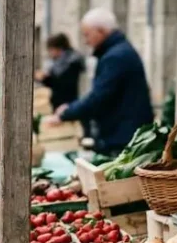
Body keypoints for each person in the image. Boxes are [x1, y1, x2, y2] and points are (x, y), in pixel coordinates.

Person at [44, 8, 153, 155]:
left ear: (100, 31)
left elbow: (99, 96)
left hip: (122, 138)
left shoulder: (115, 57)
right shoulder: (118, 52)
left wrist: (65, 113)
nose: (86, 41)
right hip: (123, 133)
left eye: (87, 34)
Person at [37, 33, 84, 110]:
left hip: (68, 105)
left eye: (51, 50)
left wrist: (44, 78)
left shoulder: (71, 61)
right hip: (62, 103)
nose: (50, 53)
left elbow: (61, 83)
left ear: (59, 49)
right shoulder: (61, 61)